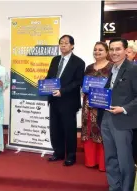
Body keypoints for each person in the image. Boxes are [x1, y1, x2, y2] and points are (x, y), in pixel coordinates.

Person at [97, 37, 137, 191]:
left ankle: (126, 188)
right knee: (110, 158)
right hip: (106, 118)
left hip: (123, 120)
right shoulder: (111, 69)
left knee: (125, 160)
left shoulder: (134, 69)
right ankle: (114, 187)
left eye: (118, 49)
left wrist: (124, 108)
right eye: (111, 49)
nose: (114, 52)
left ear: (126, 51)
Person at [45, 35, 85, 166]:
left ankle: (71, 156)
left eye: (66, 43)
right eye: (61, 43)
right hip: (54, 100)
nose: (63, 45)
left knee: (69, 129)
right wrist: (44, 83)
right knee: (55, 129)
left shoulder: (79, 62)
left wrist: (62, 91)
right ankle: (58, 152)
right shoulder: (55, 59)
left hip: (68, 101)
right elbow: (50, 77)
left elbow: (78, 82)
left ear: (72, 46)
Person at [81, 42, 112, 171]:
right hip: (88, 105)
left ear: (107, 52)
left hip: (103, 105)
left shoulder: (112, 67)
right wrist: (84, 90)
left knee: (102, 131)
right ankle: (90, 161)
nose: (97, 52)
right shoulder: (88, 68)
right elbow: (84, 84)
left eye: (100, 50)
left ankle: (103, 163)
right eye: (95, 50)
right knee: (88, 130)